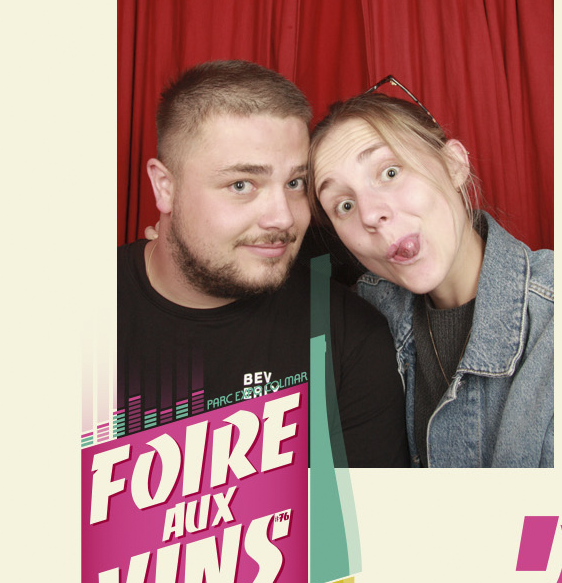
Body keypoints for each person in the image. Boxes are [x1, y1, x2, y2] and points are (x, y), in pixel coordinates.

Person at [119, 61, 410, 468]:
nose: (284, 218)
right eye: (242, 185)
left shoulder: (349, 338)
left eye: (295, 183)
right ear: (165, 187)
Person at [309, 80, 553, 467]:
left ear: (454, 165)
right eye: (344, 205)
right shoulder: (361, 314)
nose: (370, 214)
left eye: (390, 172)